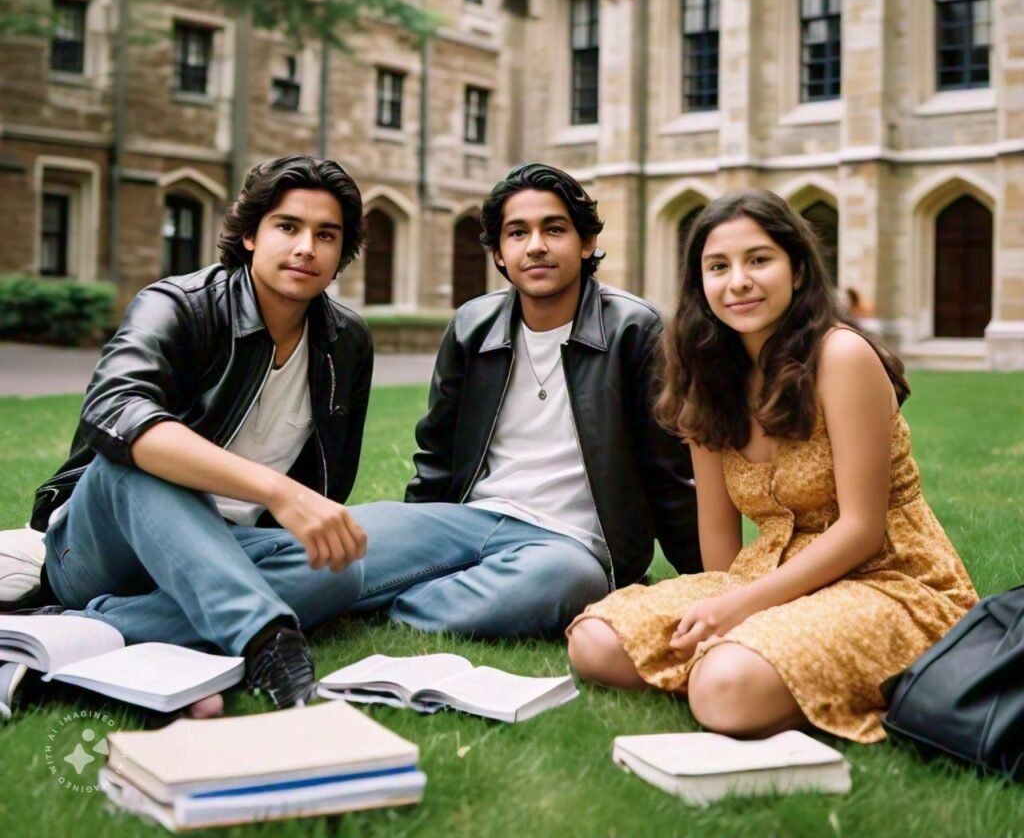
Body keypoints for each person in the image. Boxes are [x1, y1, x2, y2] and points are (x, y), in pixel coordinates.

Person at [566, 188, 976, 743]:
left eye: (758, 260)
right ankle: (759, 666)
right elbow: (719, 542)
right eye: (718, 266)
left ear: (799, 270)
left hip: (887, 579)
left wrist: (739, 610)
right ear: (699, 283)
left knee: (725, 690)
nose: (738, 280)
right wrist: (723, 601)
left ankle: (768, 673)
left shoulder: (841, 357)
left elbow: (862, 529)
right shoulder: (704, 375)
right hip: (766, 578)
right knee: (595, 640)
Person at [28, 155, 373, 711]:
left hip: (222, 548)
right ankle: (268, 643)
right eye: (288, 227)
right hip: (101, 545)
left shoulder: (346, 341)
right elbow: (115, 411)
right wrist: (276, 490)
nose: (306, 247)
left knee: (341, 571)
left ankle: (77, 632)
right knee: (134, 456)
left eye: (325, 234)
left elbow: (324, 484)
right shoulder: (178, 305)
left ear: (340, 254)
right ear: (252, 237)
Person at [348, 163, 701, 637]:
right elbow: (437, 453)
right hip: (469, 521)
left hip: (569, 546)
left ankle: (384, 607)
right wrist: (415, 537)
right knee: (347, 536)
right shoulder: (472, 325)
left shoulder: (636, 330)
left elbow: (669, 473)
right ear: (498, 252)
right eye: (518, 233)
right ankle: (272, 601)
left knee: (560, 583)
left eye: (554, 229)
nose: (536, 245)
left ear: (586, 242)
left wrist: (710, 582)